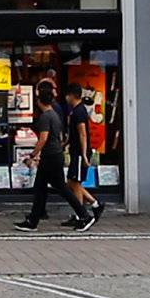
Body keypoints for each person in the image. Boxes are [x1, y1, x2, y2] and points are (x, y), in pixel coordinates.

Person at [16, 80, 70, 230]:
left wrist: (33, 155)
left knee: (59, 187)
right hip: (54, 154)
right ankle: (33, 220)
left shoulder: (46, 116)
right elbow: (59, 136)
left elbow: (44, 138)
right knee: (41, 187)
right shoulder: (55, 113)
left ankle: (84, 214)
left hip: (50, 156)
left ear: (40, 100)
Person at [62, 83, 104, 231]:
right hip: (76, 151)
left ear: (72, 95)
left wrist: (84, 154)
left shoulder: (79, 112)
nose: (66, 98)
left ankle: (84, 213)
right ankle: (92, 206)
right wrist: (65, 143)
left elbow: (83, 133)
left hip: (80, 153)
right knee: (72, 182)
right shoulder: (75, 111)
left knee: (75, 182)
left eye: (67, 95)